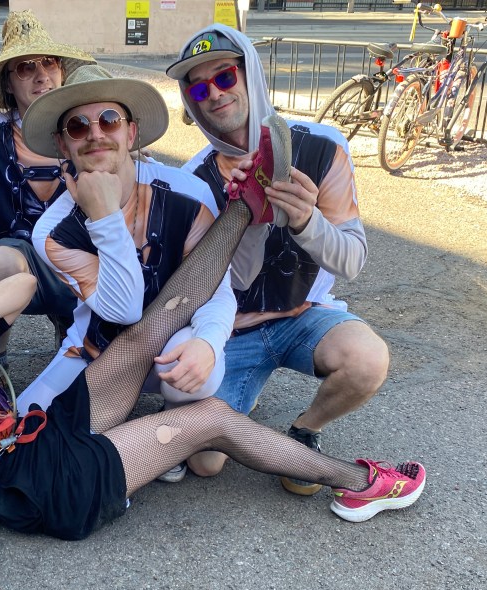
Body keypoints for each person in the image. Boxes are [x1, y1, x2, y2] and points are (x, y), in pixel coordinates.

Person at [0, 141, 427, 590]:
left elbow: (21, 286)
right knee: (213, 419)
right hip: (54, 487)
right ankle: (361, 482)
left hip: (39, 432)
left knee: (149, 328)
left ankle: (244, 205)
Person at [166, 25, 389, 496]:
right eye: (199, 89)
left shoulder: (321, 147)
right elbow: (224, 283)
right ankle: (236, 391)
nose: (214, 94)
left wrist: (308, 220)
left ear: (251, 73)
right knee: (205, 463)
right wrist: (246, 218)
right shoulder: (194, 181)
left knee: (367, 360)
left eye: (225, 76)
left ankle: (306, 429)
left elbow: (351, 261)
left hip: (303, 316)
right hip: (232, 331)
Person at [18, 65, 236, 485]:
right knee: (26, 432)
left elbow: (217, 289)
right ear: (63, 144)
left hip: (173, 344)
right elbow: (124, 310)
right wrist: (103, 215)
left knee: (201, 399)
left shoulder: (187, 194)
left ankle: (169, 413)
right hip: (98, 351)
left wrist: (208, 343)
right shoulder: (53, 229)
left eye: (109, 120)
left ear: (131, 133)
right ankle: (153, 439)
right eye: (78, 126)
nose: (95, 134)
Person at [0, 10, 95, 370]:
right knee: (2, 258)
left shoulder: (91, 129)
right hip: (14, 273)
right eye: (26, 67)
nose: (42, 75)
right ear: (8, 84)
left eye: (49, 62)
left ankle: (74, 327)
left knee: (91, 379)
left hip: (86, 271)